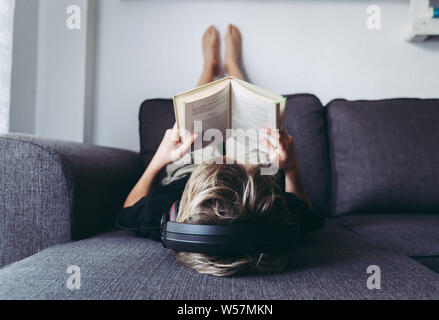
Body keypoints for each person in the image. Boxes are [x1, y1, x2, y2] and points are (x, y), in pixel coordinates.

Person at [116, 25, 323, 277]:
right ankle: (234, 71)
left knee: (192, 122)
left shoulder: (168, 209)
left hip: (192, 174)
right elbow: (304, 209)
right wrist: (290, 166)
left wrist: (158, 160)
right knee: (254, 129)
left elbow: (129, 210)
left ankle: (209, 68)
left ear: (177, 219)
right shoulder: (272, 216)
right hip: (252, 175)